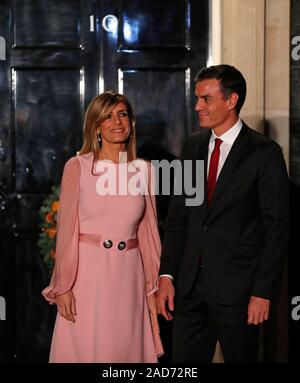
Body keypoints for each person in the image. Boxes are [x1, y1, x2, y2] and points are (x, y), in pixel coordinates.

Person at [157, 64, 289, 363]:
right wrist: (166, 275)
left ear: (231, 101)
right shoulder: (192, 146)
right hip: (189, 291)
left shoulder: (264, 152)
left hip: (240, 294)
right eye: (197, 98)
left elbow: (277, 229)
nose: (197, 106)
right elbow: (178, 217)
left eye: (206, 99)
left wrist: (262, 292)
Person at [42, 91, 163, 362]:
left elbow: (149, 234)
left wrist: (152, 288)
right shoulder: (78, 166)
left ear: (131, 122)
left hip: (129, 277)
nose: (116, 122)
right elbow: (66, 232)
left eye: (122, 115)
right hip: (88, 277)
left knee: (124, 350)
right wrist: (63, 286)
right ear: (95, 126)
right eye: (107, 116)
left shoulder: (144, 170)